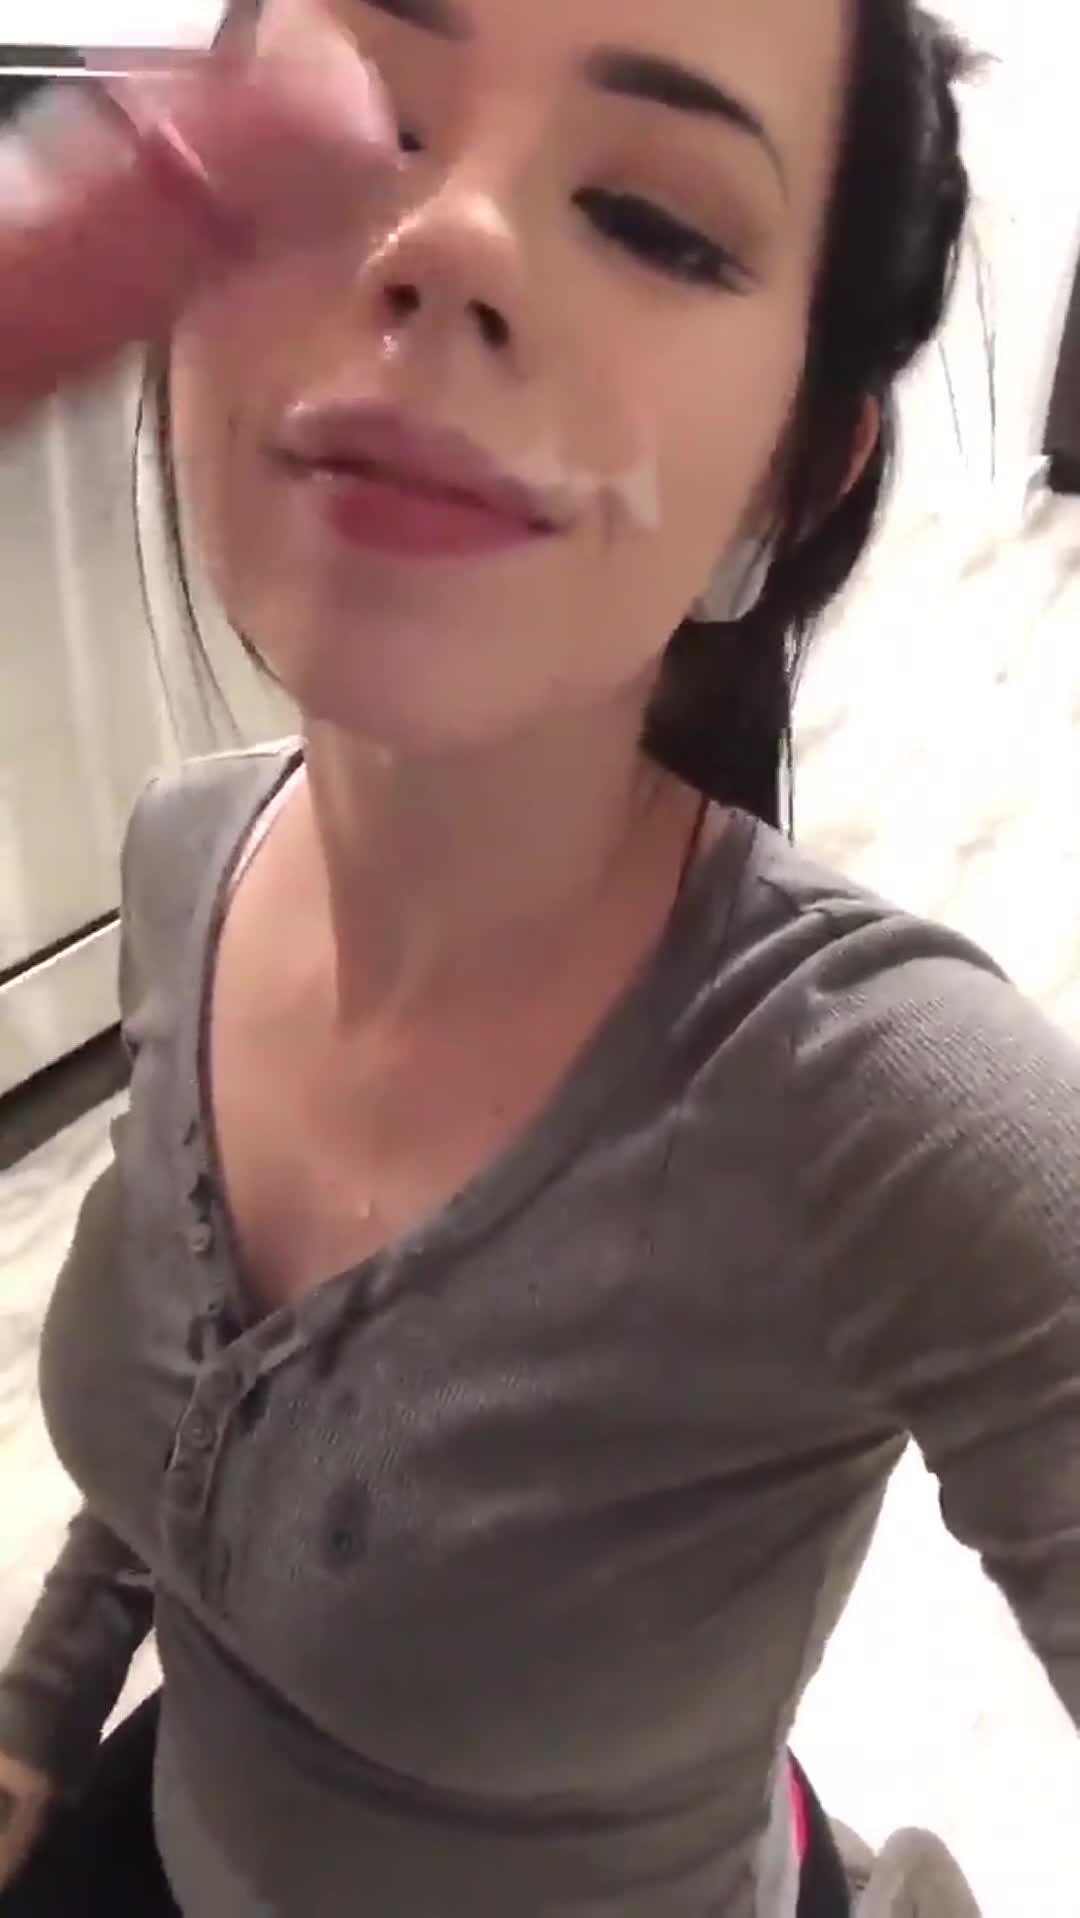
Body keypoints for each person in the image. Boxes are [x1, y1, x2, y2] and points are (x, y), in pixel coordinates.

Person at [0, 0, 1071, 1913]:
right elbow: (185, 1457)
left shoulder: (895, 1113)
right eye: (356, 131)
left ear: (795, 471)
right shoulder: (187, 860)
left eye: (655, 218)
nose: (451, 242)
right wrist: (35, 1715)